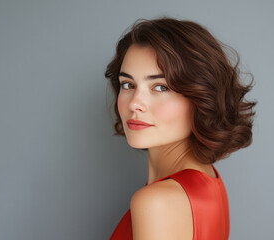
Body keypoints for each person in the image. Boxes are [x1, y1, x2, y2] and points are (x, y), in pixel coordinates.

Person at [105, 17, 256, 240]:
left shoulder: (157, 202)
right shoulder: (209, 179)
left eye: (160, 87)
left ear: (201, 99)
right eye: (128, 84)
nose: (135, 103)